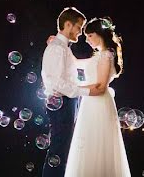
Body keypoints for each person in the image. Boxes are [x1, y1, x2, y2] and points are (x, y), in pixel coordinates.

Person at [48, 17, 131, 176]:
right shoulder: (99, 56)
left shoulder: (106, 55)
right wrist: (60, 45)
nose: (87, 40)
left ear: (100, 34)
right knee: (88, 144)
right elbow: (75, 62)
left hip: (98, 104)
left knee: (97, 143)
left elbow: (100, 86)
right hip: (90, 103)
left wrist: (72, 89)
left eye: (90, 35)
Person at [41, 7, 94, 176]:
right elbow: (56, 82)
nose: (80, 32)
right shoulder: (57, 48)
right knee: (59, 148)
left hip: (66, 102)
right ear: (68, 24)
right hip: (61, 102)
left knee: (64, 148)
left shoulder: (63, 47)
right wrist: (84, 91)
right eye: (78, 27)